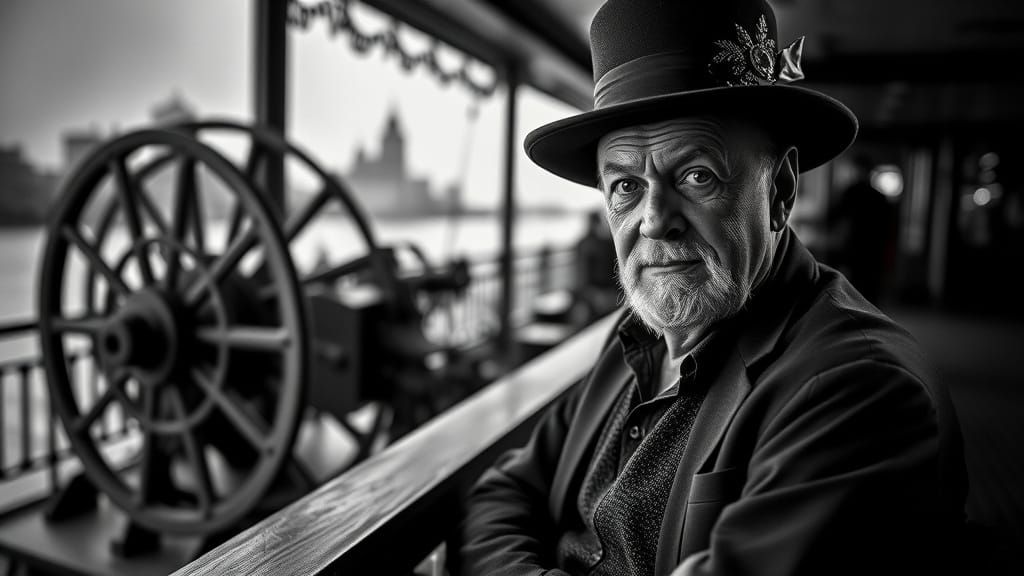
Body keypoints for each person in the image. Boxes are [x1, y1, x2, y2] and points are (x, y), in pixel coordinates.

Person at [453, 1, 968, 575]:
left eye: (697, 176)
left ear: (780, 192)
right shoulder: (633, 341)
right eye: (625, 185)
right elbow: (500, 494)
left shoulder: (859, 390)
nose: (653, 220)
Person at [828, 154, 897, 304]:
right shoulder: (879, 197)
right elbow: (889, 226)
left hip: (856, 246)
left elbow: (834, 216)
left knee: (855, 286)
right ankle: (872, 317)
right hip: (874, 247)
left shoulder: (851, 192)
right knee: (872, 287)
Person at [574, 209, 621, 322]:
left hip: (591, 291)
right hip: (604, 291)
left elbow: (581, 273)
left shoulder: (581, 243)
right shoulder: (606, 243)